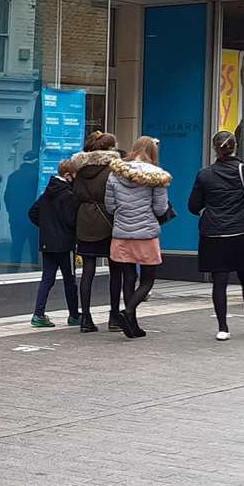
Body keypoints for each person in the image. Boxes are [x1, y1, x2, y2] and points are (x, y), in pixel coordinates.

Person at [189, 130, 244, 341]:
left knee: (219, 281)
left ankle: (222, 328)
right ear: (235, 146)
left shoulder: (204, 174)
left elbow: (193, 206)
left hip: (214, 233)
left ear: (215, 148)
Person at [103, 136, 171, 338]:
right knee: (148, 279)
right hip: (146, 233)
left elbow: (110, 206)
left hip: (122, 233)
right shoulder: (157, 176)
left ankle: (131, 324)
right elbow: (160, 209)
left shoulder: (116, 173)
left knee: (128, 276)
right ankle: (129, 311)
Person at [69, 132, 123, 333]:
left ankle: (86, 318)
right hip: (107, 221)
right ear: (110, 149)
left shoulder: (81, 170)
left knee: (87, 272)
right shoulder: (114, 169)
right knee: (116, 270)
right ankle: (114, 316)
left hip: (84, 221)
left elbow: (75, 195)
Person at [28, 159, 80, 328]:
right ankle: (74, 315)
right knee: (69, 279)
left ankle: (38, 314)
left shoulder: (47, 193)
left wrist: (46, 228)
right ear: (67, 175)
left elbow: (33, 212)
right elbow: (72, 221)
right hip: (65, 245)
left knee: (47, 279)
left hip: (48, 243)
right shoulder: (69, 195)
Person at [4, 150, 42, 267]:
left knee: (16, 246)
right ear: (35, 161)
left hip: (16, 218)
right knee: (34, 247)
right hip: (33, 219)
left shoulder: (13, 176)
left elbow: (7, 197)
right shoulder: (38, 176)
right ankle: (35, 270)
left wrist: (12, 212)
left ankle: (13, 271)